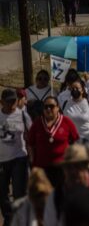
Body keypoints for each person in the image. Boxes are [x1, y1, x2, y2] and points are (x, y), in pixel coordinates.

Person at [27, 97, 79, 188]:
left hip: (62, 167)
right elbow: (30, 143)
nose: (48, 109)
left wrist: (72, 158)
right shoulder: (37, 123)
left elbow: (76, 141)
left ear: (58, 107)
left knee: (61, 195)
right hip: (42, 167)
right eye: (45, 107)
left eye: (51, 106)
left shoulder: (66, 122)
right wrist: (31, 159)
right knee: (44, 195)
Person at [0, 89, 31, 224]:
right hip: (1, 160)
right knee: (2, 194)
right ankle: (8, 216)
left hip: (19, 158)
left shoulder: (23, 115)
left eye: (14, 101)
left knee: (19, 192)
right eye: (9, 102)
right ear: (1, 102)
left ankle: (20, 218)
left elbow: (31, 136)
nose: (12, 104)